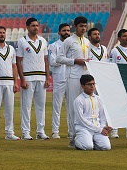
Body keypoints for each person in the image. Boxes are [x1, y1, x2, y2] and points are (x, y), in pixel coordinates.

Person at [56, 16, 91, 148]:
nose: (83, 28)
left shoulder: (87, 41)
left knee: (85, 107)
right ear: (75, 27)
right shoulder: (69, 41)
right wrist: (75, 61)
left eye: (85, 26)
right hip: (73, 77)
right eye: (81, 26)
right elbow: (59, 58)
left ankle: (84, 136)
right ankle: (72, 137)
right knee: (73, 107)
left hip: (85, 76)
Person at [16, 17, 49, 140]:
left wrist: (47, 77)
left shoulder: (43, 41)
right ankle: (25, 132)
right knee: (26, 106)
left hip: (41, 77)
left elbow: (46, 60)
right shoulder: (22, 41)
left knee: (41, 106)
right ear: (28, 27)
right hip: (28, 77)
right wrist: (22, 79)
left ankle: (40, 131)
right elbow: (18, 62)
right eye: (33, 25)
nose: (36, 27)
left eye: (37, 25)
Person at [73, 74, 112, 151]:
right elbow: (81, 120)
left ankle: (92, 141)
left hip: (97, 127)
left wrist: (103, 127)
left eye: (93, 84)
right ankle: (77, 141)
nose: (92, 86)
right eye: (89, 84)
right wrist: (100, 130)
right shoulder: (79, 100)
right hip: (84, 128)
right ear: (82, 86)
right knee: (88, 147)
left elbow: (102, 116)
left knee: (106, 147)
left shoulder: (98, 99)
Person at [48, 23, 70, 139]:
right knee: (57, 107)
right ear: (59, 32)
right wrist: (68, 60)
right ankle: (55, 131)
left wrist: (61, 60)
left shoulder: (72, 45)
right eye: (64, 30)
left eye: (68, 30)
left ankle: (71, 131)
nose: (66, 32)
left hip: (71, 79)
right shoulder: (54, 46)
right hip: (59, 79)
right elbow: (52, 62)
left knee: (71, 107)